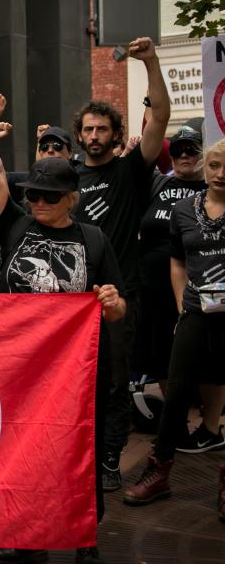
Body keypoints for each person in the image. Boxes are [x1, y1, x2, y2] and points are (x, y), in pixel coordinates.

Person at [0, 94, 126, 564]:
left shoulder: (93, 239)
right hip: (22, 366)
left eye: (50, 197)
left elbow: (120, 308)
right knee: (24, 449)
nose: (39, 203)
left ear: (72, 199)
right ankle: (28, 535)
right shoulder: (16, 227)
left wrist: (111, 302)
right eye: (34, 195)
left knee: (75, 450)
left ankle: (84, 536)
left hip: (77, 372)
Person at [72, 37, 170, 492]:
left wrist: (150, 61)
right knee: (76, 387)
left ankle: (110, 460)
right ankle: (80, 456)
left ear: (115, 134)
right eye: (88, 130)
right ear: (80, 135)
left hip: (119, 295)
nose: (95, 137)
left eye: (102, 130)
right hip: (71, 301)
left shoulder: (130, 171)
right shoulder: (67, 179)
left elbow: (161, 120)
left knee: (114, 385)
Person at [123, 139, 225, 524]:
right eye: (213, 165)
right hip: (197, 312)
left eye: (224, 166)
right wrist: (183, 303)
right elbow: (178, 261)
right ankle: (159, 471)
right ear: (205, 168)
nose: (219, 174)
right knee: (179, 388)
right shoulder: (184, 210)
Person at [135, 120, 213, 436]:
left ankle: (209, 427)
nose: (185, 156)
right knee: (161, 355)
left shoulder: (213, 187)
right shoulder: (157, 185)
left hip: (199, 287)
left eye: (192, 149)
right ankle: (176, 420)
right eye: (178, 150)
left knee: (208, 356)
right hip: (154, 288)